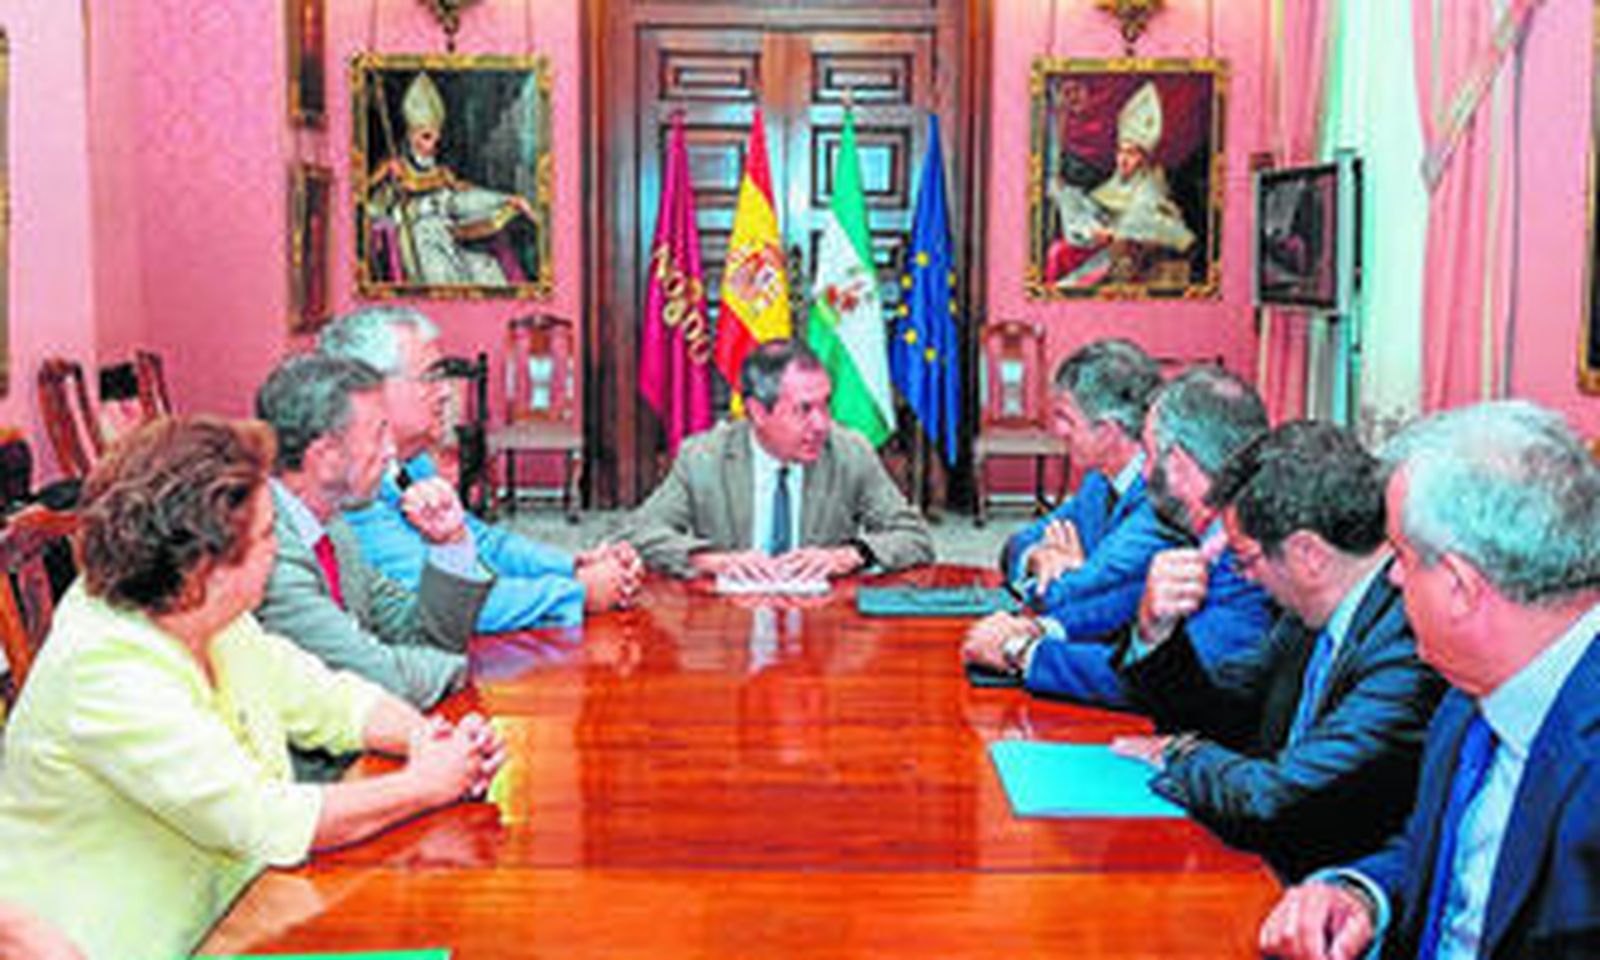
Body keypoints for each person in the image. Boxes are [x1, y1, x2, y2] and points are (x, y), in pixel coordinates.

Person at [0, 417, 505, 960]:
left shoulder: (201, 613)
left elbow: (326, 698)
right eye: (266, 534)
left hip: (239, 918)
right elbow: (265, 819)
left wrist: (430, 738)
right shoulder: (105, 668)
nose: (278, 547)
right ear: (205, 566)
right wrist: (427, 784)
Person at [1259, 401, 1600, 960]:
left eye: (1401, 555)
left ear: (1460, 587)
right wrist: (1361, 896)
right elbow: (1448, 857)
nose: (1392, 578)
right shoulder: (1470, 695)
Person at [1108, 421, 1444, 880]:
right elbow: (1223, 710)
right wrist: (1156, 632)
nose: (1243, 576)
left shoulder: (1408, 646)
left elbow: (1278, 800)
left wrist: (1181, 755)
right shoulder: (1307, 617)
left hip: (1325, 890)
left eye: (1246, 558)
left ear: (1308, 554)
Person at [963, 366, 1273, 710]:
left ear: (1178, 463)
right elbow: (1135, 594)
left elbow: (1171, 681)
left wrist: (1021, 653)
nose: (1143, 472)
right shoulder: (1213, 533)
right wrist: (1046, 629)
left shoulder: (1248, 556)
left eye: (1149, 456)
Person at [323, 306, 639, 629]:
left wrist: (572, 565)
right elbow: (445, 604)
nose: (446, 392)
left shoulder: (412, 462)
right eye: (431, 378)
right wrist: (578, 593)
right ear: (369, 389)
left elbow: (483, 543)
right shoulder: (352, 484)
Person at [254, 354, 491, 763]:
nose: (391, 452)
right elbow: (381, 679)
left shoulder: (333, 528)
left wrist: (450, 544)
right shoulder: (268, 549)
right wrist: (454, 667)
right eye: (379, 434)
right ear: (325, 456)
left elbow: (417, 632)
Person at [618, 338, 934, 580]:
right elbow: (636, 535)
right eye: (804, 409)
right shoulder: (703, 458)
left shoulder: (849, 452)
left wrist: (850, 556)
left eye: (825, 404)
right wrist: (711, 561)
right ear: (757, 412)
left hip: (823, 625)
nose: (821, 424)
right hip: (730, 625)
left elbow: (914, 538)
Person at [988, 338, 1167, 639]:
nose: (1058, 430)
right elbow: (1016, 544)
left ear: (1107, 431)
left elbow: (1079, 600)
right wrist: (1035, 556)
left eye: (1066, 418)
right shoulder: (1098, 481)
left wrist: (1065, 576)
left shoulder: (1160, 499)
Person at [366, 71, 539, 286]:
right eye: (426, 136)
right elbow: (368, 192)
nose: (432, 146)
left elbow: (464, 195)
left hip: (446, 239)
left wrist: (506, 199)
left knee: (488, 270)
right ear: (411, 135)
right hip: (420, 242)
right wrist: (385, 177)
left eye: (436, 138)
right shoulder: (396, 166)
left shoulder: (442, 173)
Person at [1048, 81, 1196, 289]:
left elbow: (1150, 224)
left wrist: (1111, 233)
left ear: (1144, 159)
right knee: (1058, 252)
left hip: (1127, 261)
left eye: (1131, 153)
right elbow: (1096, 210)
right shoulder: (1114, 184)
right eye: (1121, 152)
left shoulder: (1150, 189)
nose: (1123, 160)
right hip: (1103, 252)